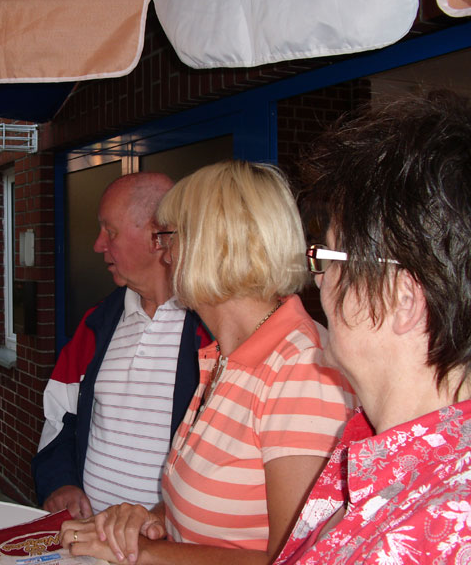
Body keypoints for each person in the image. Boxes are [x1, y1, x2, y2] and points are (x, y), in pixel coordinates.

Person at [61, 160, 357, 564]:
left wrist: (145, 553)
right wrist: (150, 520)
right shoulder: (222, 357)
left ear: (213, 245)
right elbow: (216, 515)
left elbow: (300, 558)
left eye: (169, 236)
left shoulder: (303, 370)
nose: (164, 255)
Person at [273, 91, 471, 563]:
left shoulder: (446, 530)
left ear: (403, 298)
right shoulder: (373, 443)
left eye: (329, 257)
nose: (317, 284)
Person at [32, 172, 209, 519]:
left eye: (109, 231)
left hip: (170, 553)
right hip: (91, 546)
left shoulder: (212, 329)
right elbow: (59, 417)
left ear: (158, 237)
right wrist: (60, 483)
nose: (98, 245)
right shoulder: (96, 324)